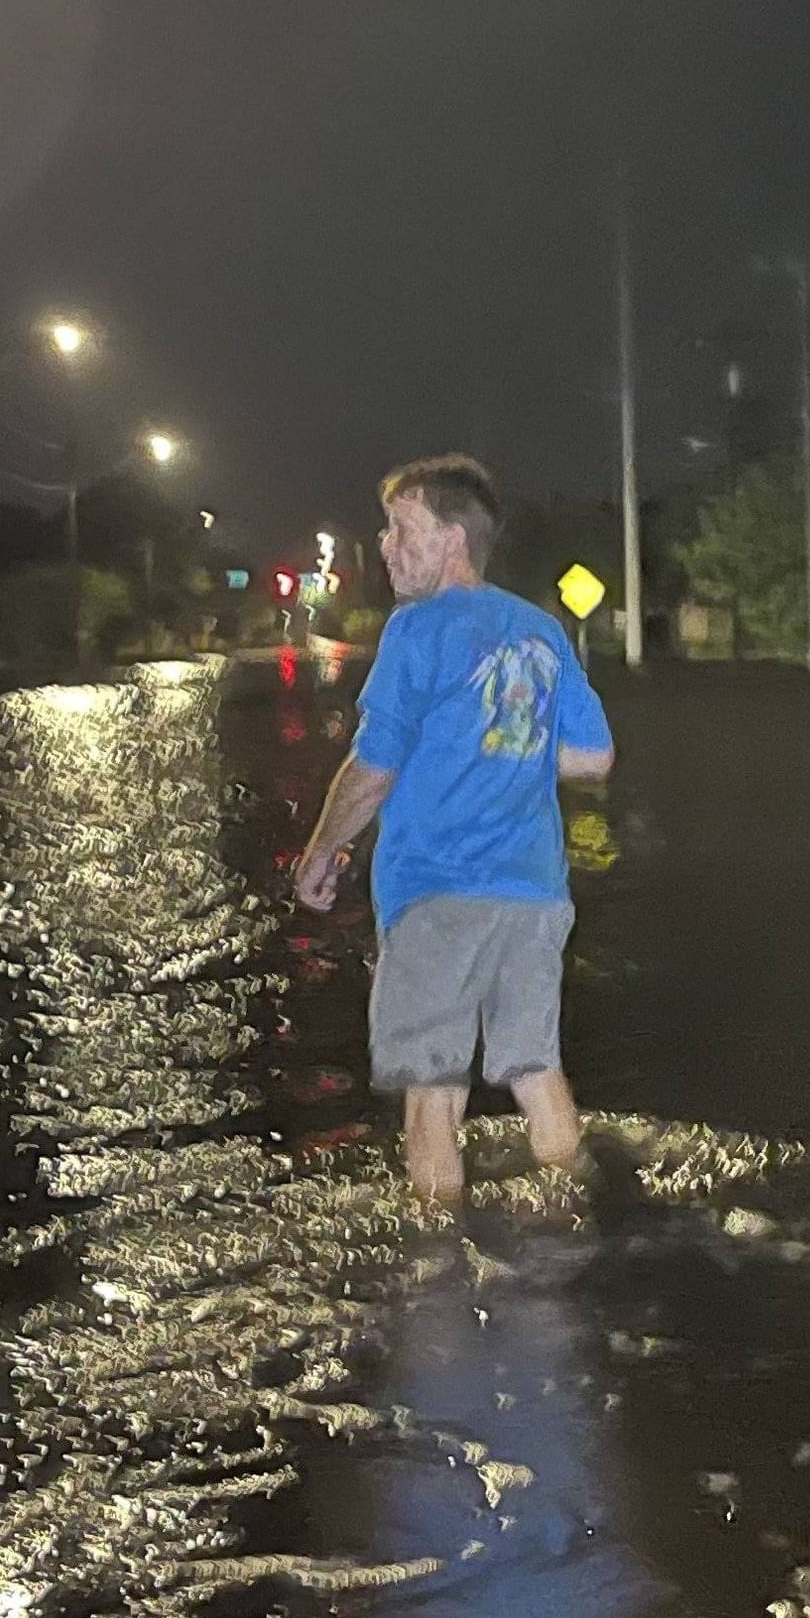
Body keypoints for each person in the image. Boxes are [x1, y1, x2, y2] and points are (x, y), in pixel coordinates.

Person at [293, 454, 615, 1201]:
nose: (385, 544)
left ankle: (435, 1274)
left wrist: (322, 850)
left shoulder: (418, 629)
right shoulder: (540, 631)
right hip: (534, 893)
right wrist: (502, 749)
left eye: (403, 528)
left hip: (436, 891)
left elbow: (372, 769)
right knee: (537, 1069)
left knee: (432, 1092)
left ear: (452, 541)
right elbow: (595, 756)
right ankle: (573, 1232)